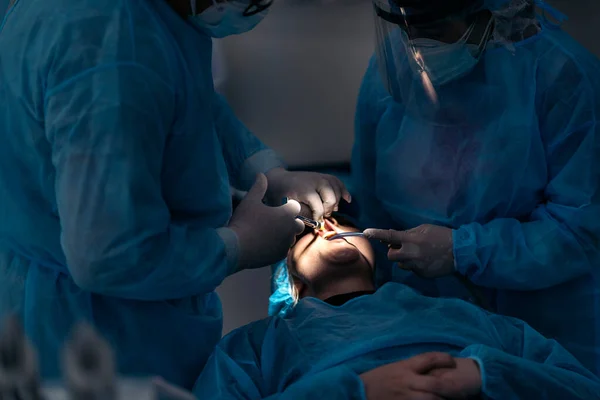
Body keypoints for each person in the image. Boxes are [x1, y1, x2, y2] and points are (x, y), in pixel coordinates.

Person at [0, 0, 350, 389]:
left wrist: (265, 169)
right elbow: (108, 255)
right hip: (90, 342)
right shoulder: (109, 43)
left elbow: (184, 94)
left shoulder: (153, 20)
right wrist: (237, 246)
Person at [351, 0, 600, 375]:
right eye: (406, 26)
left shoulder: (561, 75)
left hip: (547, 330)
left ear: (493, 11)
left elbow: (580, 230)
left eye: (434, 28)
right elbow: (370, 192)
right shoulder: (396, 62)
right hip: (422, 315)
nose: (417, 43)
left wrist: (462, 250)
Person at [194, 215, 600, 399]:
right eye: (311, 230)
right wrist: (354, 391)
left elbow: (582, 388)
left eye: (340, 220)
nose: (330, 226)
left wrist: (483, 374)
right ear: (292, 279)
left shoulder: (464, 315)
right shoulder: (256, 345)